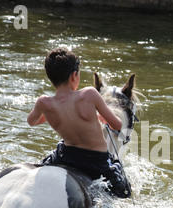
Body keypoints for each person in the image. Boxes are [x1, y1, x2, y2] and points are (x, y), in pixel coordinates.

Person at [27, 47, 131, 198]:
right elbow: (117, 125)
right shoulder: (89, 94)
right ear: (74, 75)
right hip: (96, 161)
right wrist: (98, 115)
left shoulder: (44, 103)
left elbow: (32, 121)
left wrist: (51, 114)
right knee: (124, 192)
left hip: (65, 157)